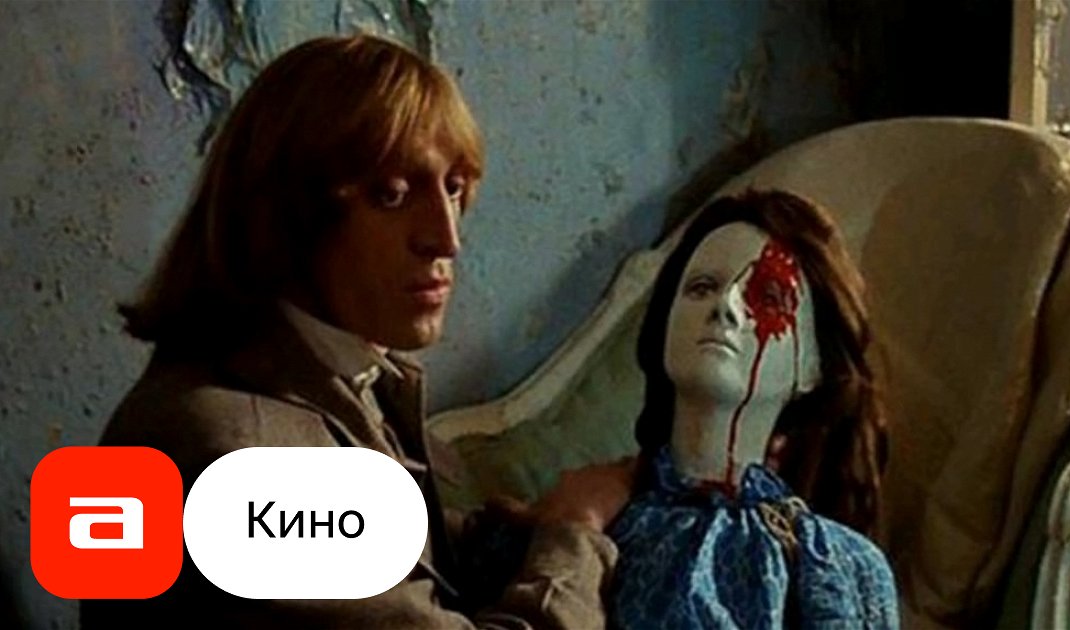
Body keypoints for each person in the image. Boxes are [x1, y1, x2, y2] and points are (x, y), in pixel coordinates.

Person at [83, 34, 633, 629]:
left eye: (453, 187)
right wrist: (574, 533)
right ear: (286, 216)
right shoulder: (236, 449)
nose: (446, 238)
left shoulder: (324, 376)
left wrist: (496, 538)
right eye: (392, 194)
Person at [607, 190, 899, 628]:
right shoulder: (602, 521)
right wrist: (569, 531)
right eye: (702, 287)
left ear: (812, 366)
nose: (725, 306)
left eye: (769, 297)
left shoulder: (845, 566)